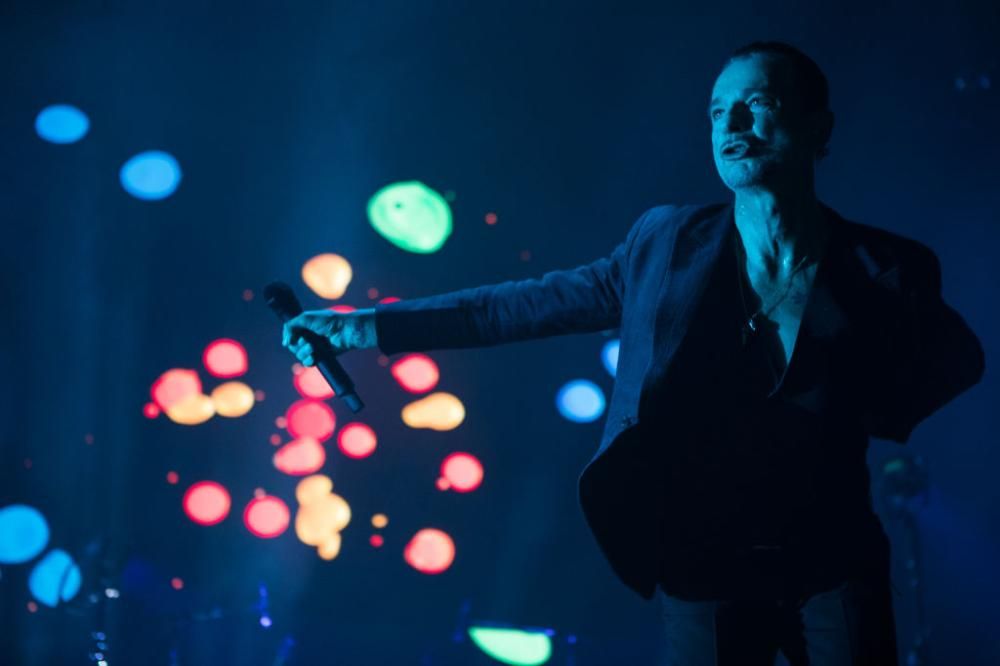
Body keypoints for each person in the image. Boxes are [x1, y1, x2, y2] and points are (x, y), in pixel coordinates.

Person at [281, 41, 984, 665]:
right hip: (703, 561)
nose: (734, 125)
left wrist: (873, 407)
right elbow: (517, 306)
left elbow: (958, 363)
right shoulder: (667, 244)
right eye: (719, 112)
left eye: (760, 104)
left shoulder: (886, 267)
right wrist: (363, 327)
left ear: (818, 128)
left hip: (832, 560)